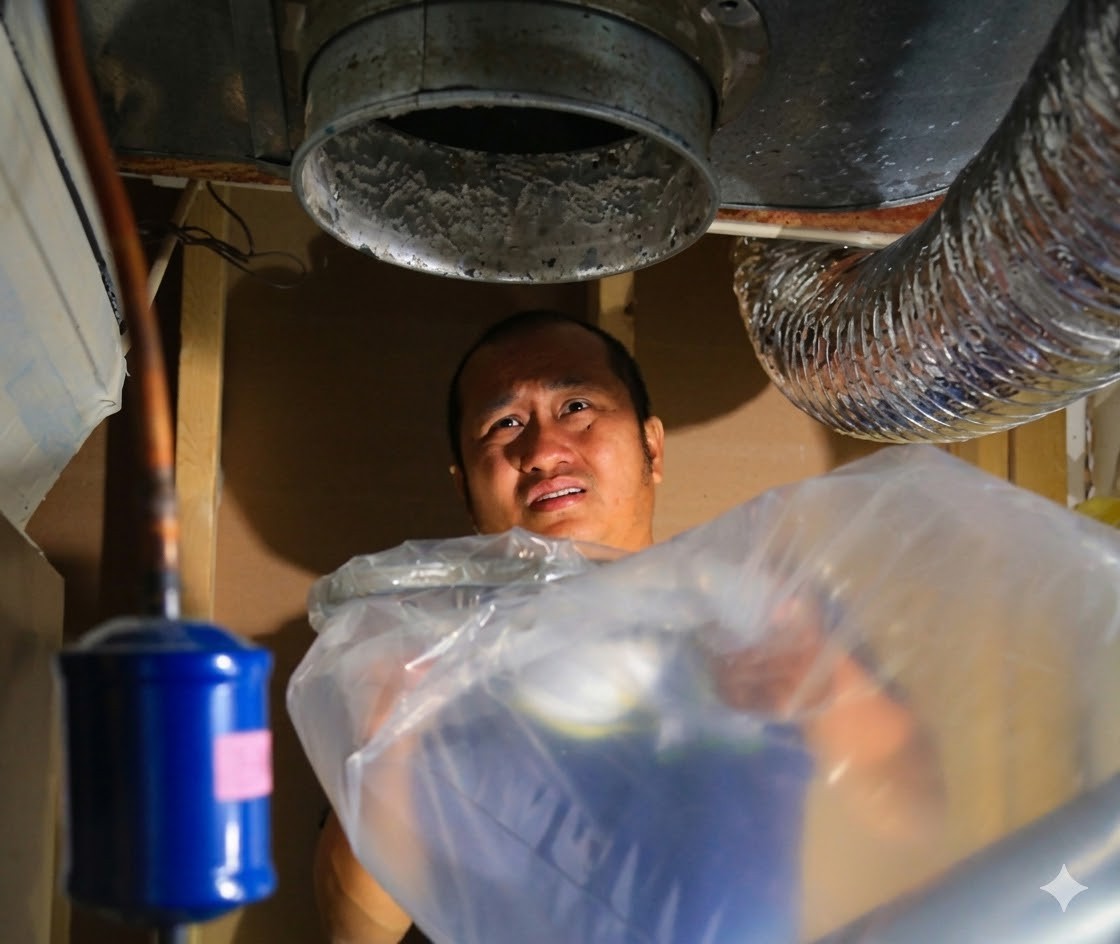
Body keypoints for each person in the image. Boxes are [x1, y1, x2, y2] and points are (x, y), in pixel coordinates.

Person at [313, 309, 942, 944]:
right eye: (504, 425)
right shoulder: (420, 652)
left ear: (652, 447)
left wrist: (826, 686)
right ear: (465, 490)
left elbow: (918, 819)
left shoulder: (760, 615)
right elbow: (354, 933)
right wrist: (388, 750)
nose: (544, 451)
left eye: (578, 406)